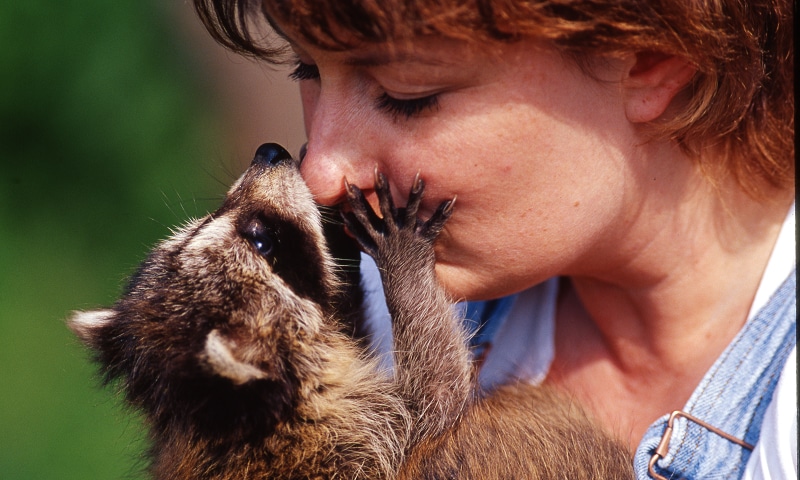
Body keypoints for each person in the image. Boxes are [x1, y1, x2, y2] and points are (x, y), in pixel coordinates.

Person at [192, 1, 795, 478]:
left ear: (648, 58)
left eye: (407, 96)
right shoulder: (371, 306)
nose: (320, 174)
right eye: (307, 69)